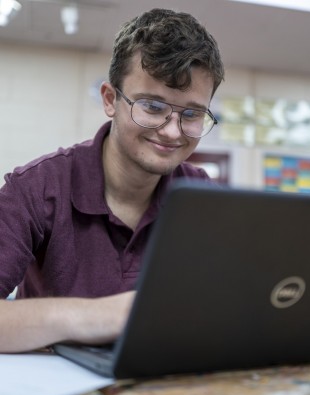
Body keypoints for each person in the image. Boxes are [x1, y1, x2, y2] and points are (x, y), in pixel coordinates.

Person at [0, 8, 224, 352]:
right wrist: (102, 316)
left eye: (191, 114)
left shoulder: (204, 199)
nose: (170, 131)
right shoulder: (35, 188)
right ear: (110, 99)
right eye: (152, 106)